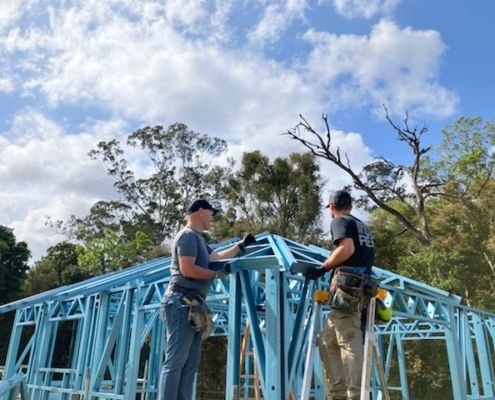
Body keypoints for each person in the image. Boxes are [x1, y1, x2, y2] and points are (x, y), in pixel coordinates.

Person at [158, 198, 255, 400]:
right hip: (180, 302)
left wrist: (240, 246)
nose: (213, 218)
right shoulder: (187, 236)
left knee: (190, 362)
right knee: (176, 361)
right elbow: (187, 269)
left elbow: (217, 259)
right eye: (212, 213)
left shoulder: (199, 240)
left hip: (193, 305)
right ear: (201, 211)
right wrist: (216, 275)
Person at [304, 190, 374, 400]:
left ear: (331, 207)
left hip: (347, 288)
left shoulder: (340, 221)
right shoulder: (360, 224)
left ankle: (355, 395)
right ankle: (338, 394)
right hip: (358, 287)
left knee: (348, 339)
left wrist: (323, 268)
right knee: (327, 342)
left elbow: (347, 248)